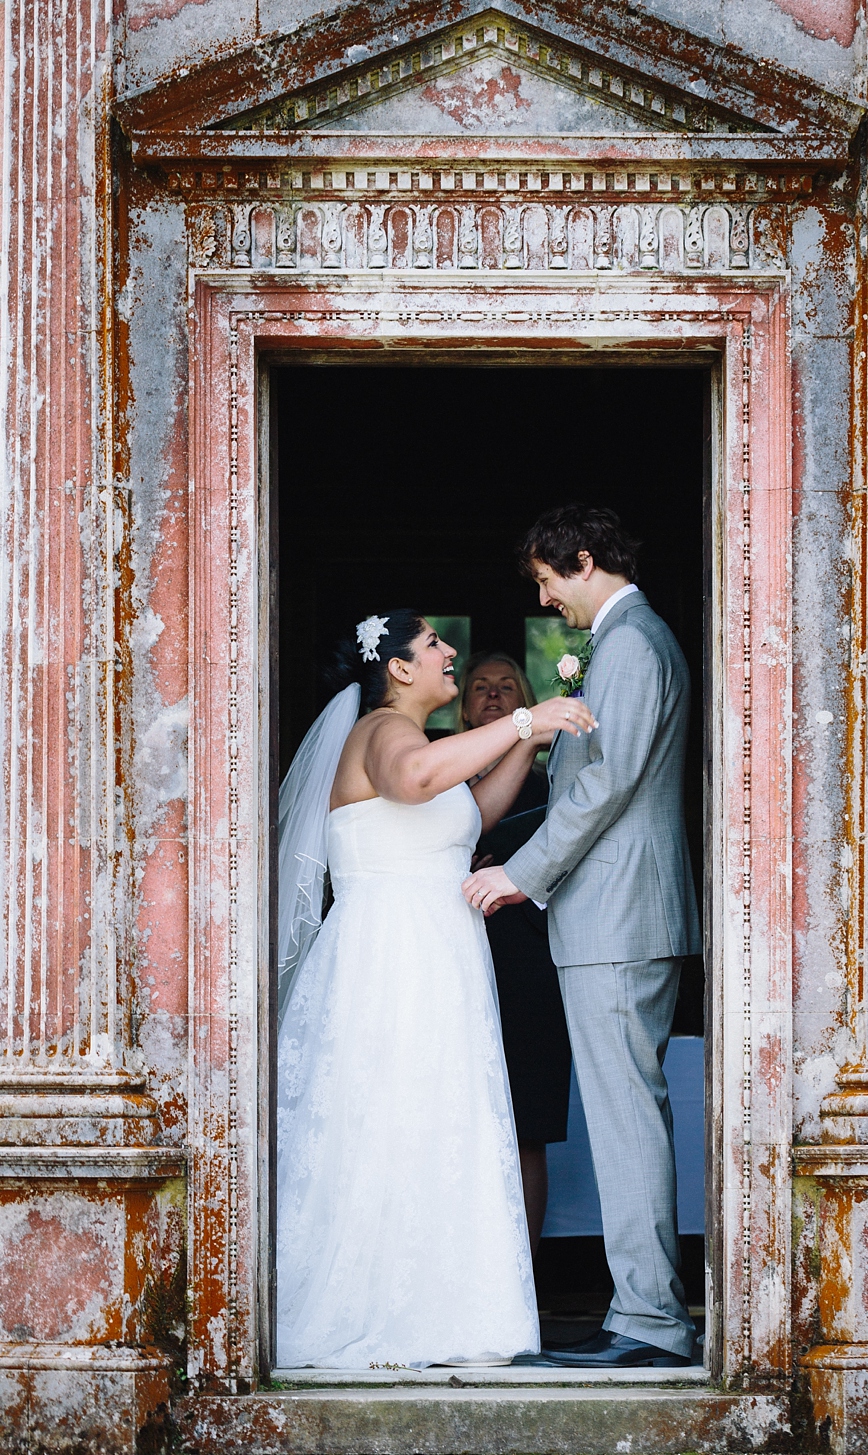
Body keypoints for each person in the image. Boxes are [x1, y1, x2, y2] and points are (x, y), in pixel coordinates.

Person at [275, 610, 596, 1370]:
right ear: (396, 669)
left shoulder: (419, 740)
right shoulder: (384, 734)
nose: (450, 651)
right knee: (391, 1118)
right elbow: (416, 781)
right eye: (433, 645)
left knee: (441, 1124)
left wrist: (524, 740)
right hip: (390, 964)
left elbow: (469, 813)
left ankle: (443, 1309)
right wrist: (527, 712)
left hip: (441, 960)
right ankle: (377, 1307)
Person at [463, 505, 702, 1369]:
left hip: (618, 915)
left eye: (546, 578)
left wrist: (520, 875)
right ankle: (640, 1311)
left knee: (627, 1116)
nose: (543, 595)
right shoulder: (631, 639)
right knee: (623, 1113)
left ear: (586, 560)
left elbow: (603, 785)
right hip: (612, 915)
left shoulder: (634, 643)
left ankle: (651, 1322)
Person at [458, 652, 572, 1255]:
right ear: (462, 704)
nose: (495, 696)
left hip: (529, 965)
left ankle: (524, 1284)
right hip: (449, 962)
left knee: (526, 1124)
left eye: (508, 686)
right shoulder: (441, 776)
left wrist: (520, 876)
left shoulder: (555, 787)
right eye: (481, 687)